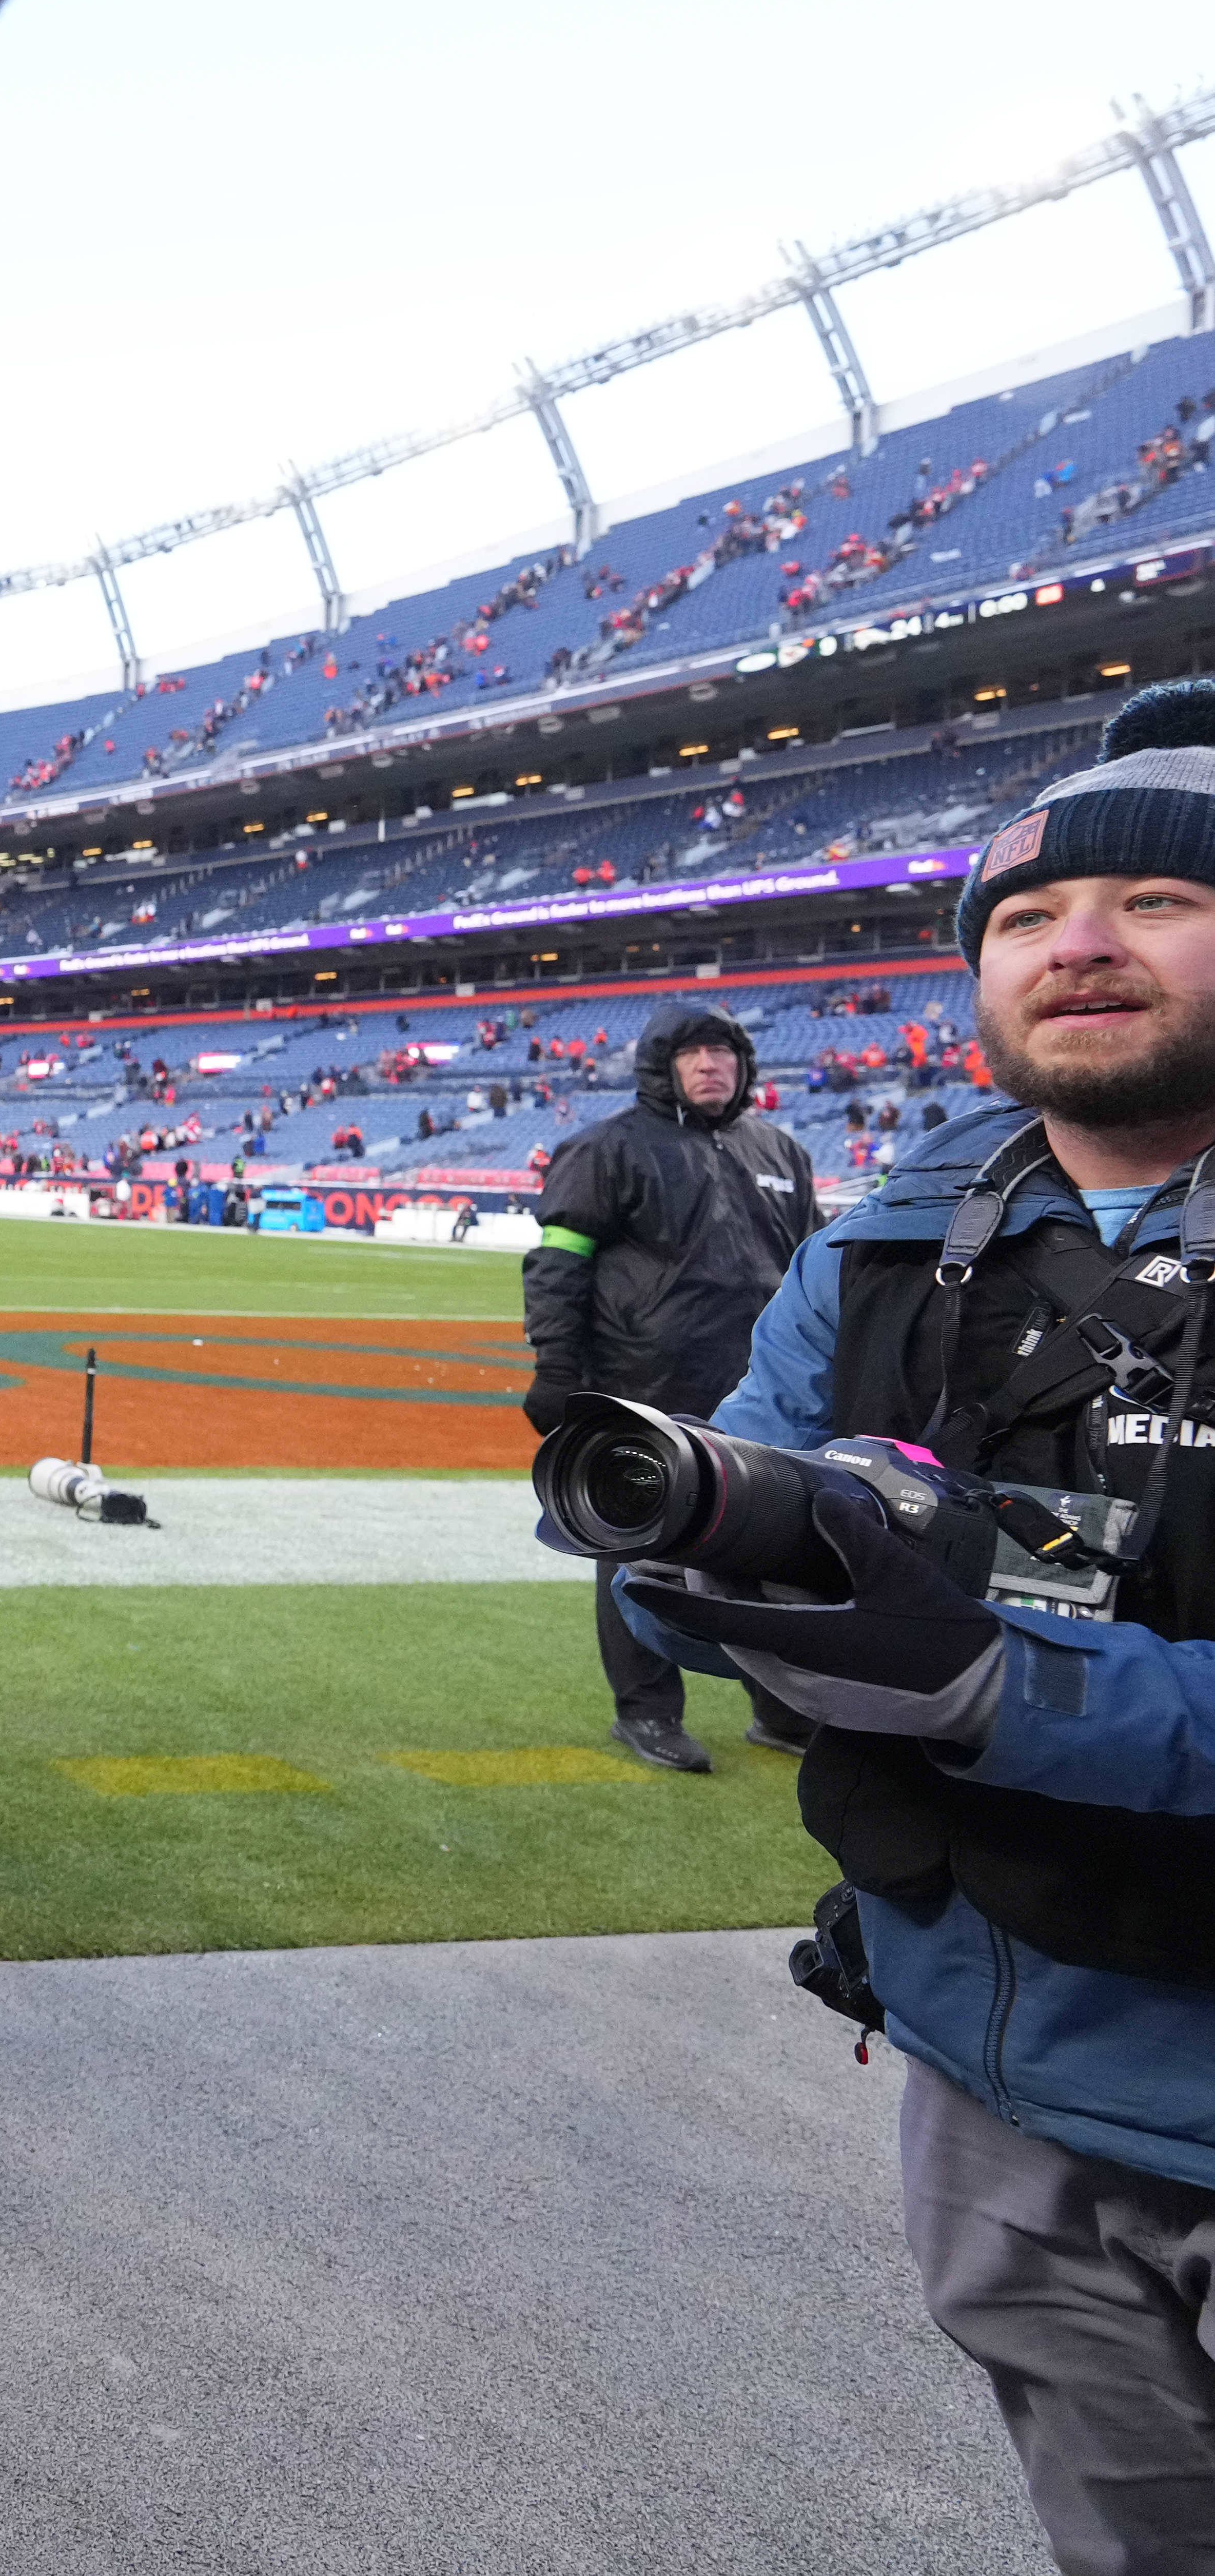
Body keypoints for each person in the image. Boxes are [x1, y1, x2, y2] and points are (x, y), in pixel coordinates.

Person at [623, 682, 1215, 2568]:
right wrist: (707, 1584)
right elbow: (728, 1523)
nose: (1083, 943)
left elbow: (966, 1661)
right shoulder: (888, 1239)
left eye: (1160, 902)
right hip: (992, 2067)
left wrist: (986, 1678)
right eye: (1028, 917)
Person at [521, 1000, 821, 1771]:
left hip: (766, 1392)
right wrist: (557, 1367)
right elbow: (558, 1263)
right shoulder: (606, 1148)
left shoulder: (781, 1150)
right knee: (635, 1548)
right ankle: (647, 1711)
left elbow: (816, 1273)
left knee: (782, 1549)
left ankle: (785, 1707)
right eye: (693, 1053)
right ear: (663, 1067)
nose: (711, 1064)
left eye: (724, 1052)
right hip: (641, 1386)